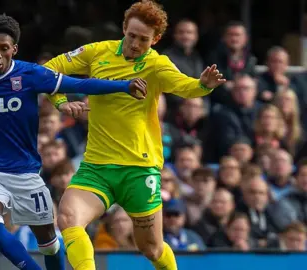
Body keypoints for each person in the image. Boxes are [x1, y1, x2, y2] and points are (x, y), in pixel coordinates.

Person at [0, 14, 147, 270]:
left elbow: (78, 82)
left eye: (4, 48)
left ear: (14, 49)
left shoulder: (30, 74)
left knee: (50, 244)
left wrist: (123, 86)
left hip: (25, 172)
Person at [44, 1, 226, 269]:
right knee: (69, 218)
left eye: (144, 39)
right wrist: (61, 103)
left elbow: (183, 86)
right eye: (131, 35)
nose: (135, 44)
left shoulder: (156, 64)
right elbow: (49, 70)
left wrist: (203, 85)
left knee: (151, 249)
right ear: (124, 28)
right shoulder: (97, 52)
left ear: (156, 40)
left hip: (139, 171)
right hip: (97, 168)